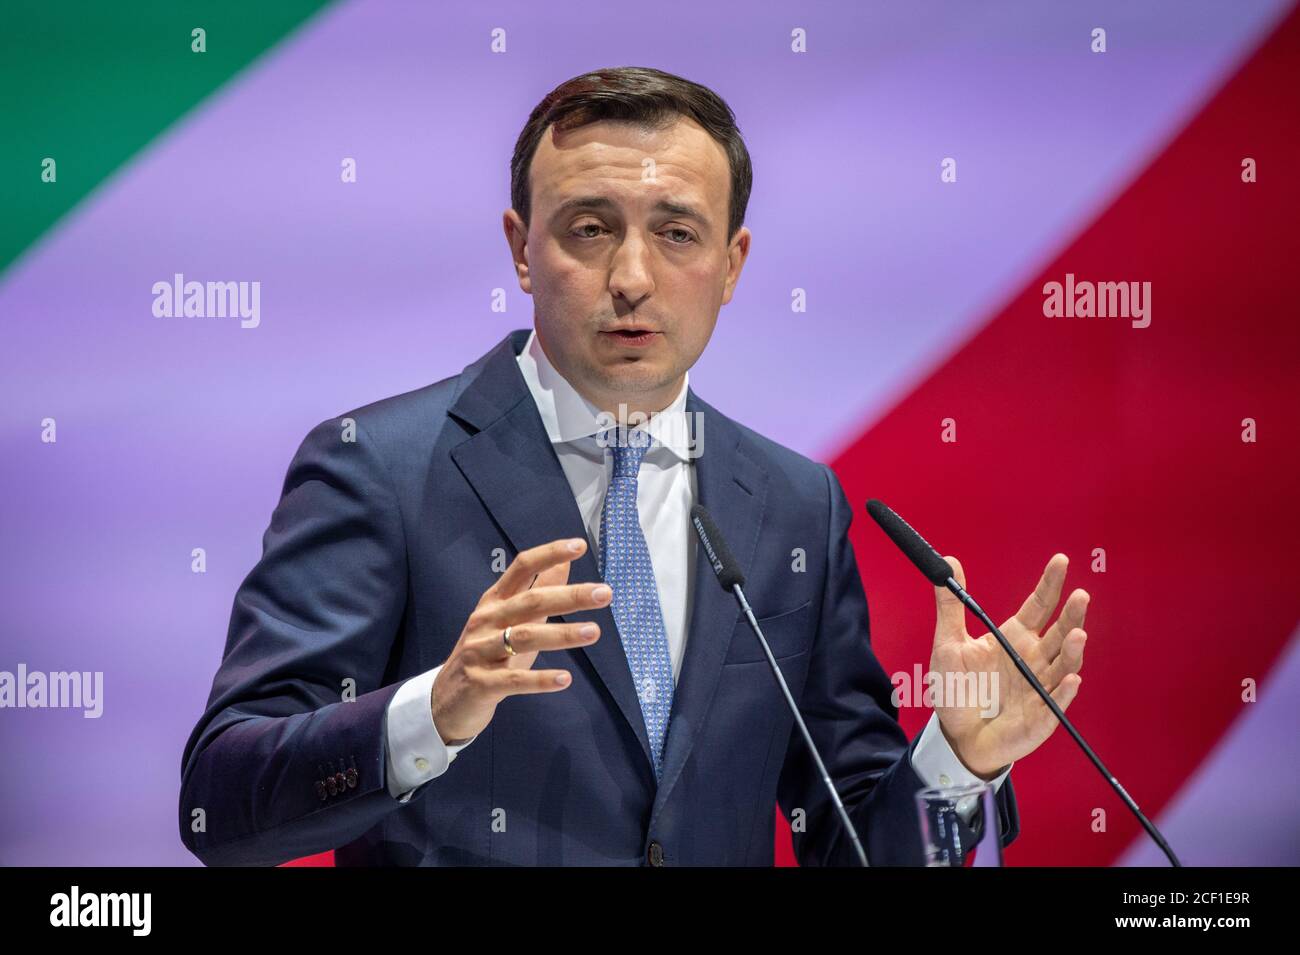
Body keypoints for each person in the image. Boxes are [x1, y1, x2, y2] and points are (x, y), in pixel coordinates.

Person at [179, 66, 1089, 866]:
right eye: (588, 228)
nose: (632, 277)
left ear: (732, 265)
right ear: (520, 249)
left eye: (678, 234)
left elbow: (848, 840)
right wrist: (432, 712)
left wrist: (958, 763)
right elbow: (219, 802)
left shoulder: (790, 503)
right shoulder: (380, 467)